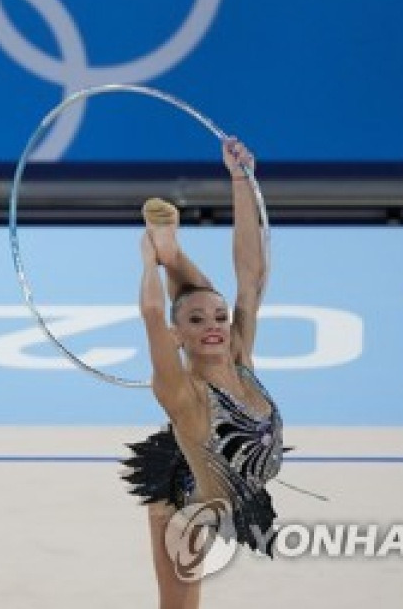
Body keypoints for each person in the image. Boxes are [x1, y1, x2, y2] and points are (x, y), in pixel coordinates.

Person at [122, 137, 285, 608]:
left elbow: (250, 277)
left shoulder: (240, 358)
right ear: (178, 337)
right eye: (197, 323)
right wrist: (148, 262)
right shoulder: (182, 391)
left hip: (224, 476)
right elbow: (156, 315)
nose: (214, 326)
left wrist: (240, 180)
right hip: (185, 500)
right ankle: (166, 250)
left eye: (219, 318)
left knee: (208, 293)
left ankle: (173, 250)